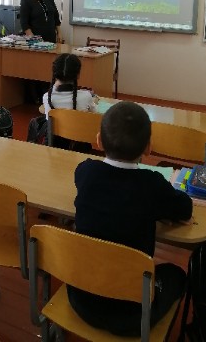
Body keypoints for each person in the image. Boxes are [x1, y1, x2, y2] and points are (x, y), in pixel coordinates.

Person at [67, 101, 193, 337]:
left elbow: (88, 180)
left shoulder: (86, 172)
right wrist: (162, 209)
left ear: (98, 141)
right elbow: (185, 209)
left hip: (81, 298)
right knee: (176, 275)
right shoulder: (152, 185)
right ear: (148, 148)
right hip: (134, 314)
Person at [41, 53, 97, 152]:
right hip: (80, 148)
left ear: (55, 74)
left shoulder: (47, 98)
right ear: (78, 75)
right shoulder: (85, 96)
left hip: (55, 148)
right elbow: (94, 114)